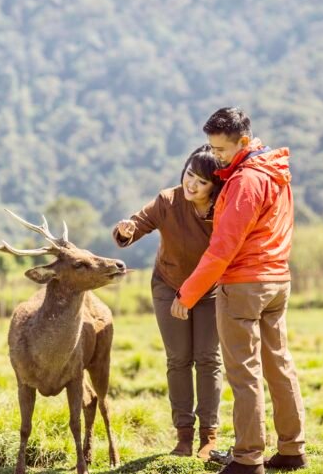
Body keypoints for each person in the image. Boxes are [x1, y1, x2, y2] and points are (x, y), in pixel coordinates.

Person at [171, 108, 307, 474]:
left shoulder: (246, 181)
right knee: (279, 364)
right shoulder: (275, 172)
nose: (215, 158)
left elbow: (222, 247)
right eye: (213, 149)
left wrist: (188, 293)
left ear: (244, 142)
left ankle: (247, 458)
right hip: (278, 278)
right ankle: (293, 450)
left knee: (244, 372)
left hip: (244, 283)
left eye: (221, 151)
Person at [112, 145, 224, 461]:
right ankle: (184, 436)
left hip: (210, 290)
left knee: (208, 358)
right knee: (178, 359)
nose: (191, 184)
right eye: (189, 175)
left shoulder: (225, 208)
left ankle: (209, 437)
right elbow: (138, 222)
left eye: (201, 182)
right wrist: (126, 231)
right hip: (169, 286)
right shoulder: (168, 200)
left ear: (214, 187)